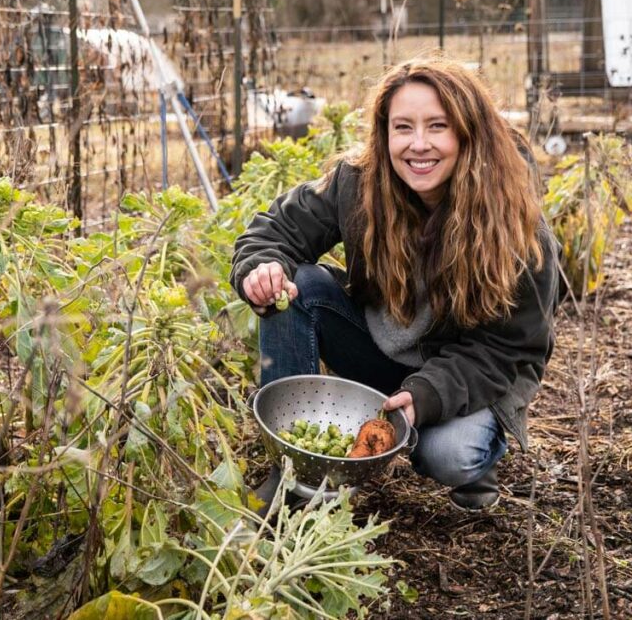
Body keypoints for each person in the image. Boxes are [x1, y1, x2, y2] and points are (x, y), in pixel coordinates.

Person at [230, 56, 562, 511]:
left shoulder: (516, 226)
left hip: (467, 374)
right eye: (403, 127)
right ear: (384, 133)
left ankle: (482, 459)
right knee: (298, 287)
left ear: (468, 134)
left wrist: (424, 398)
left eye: (437, 126)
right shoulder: (358, 182)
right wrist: (263, 267)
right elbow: (276, 230)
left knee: (448, 455)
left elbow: (508, 349)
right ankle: (292, 466)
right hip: (381, 351)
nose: (418, 145)